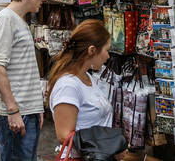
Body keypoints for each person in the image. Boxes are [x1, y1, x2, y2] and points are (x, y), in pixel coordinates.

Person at [0, 0, 49, 161]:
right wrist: (12, 110)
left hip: (27, 110)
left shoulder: (18, 20)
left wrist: (36, 108)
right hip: (17, 113)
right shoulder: (5, 19)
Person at [47, 19, 122, 159]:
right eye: (106, 50)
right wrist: (110, 146)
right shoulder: (68, 86)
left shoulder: (86, 77)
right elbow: (65, 136)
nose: (108, 56)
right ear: (92, 50)